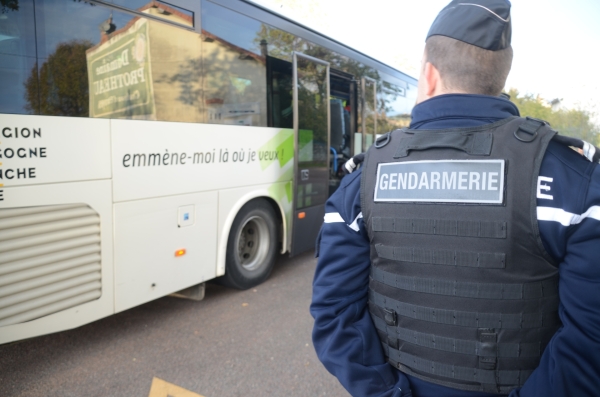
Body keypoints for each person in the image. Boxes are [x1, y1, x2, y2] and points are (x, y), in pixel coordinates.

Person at [310, 1, 600, 396]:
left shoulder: (363, 179)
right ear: (499, 78)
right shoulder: (575, 182)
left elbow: (334, 316)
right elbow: (588, 343)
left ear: (429, 75)